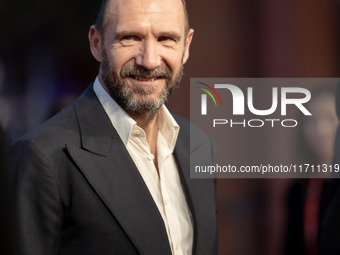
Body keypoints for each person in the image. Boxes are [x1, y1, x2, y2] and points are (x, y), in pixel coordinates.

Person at [7, 0, 217, 254]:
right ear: (97, 43)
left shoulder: (199, 146)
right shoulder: (41, 157)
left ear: (186, 46)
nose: (149, 60)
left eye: (166, 39)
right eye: (130, 38)